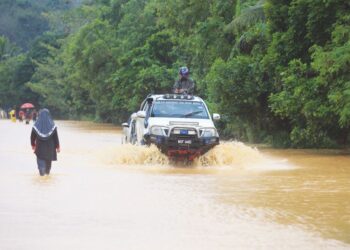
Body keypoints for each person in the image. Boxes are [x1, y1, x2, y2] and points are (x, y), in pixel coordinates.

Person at [30, 109, 60, 176]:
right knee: (48, 167)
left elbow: (32, 137)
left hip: (40, 149)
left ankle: (42, 175)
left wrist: (33, 145)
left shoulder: (36, 125)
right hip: (50, 149)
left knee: (41, 166)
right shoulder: (53, 125)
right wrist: (58, 147)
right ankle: (46, 176)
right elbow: (56, 138)